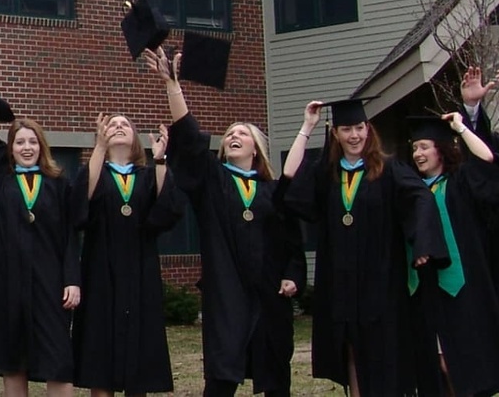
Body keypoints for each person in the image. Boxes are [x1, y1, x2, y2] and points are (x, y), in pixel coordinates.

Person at [145, 48, 305, 397]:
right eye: (230, 132)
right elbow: (188, 140)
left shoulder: (271, 192)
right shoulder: (213, 181)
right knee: (222, 375)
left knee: (275, 371)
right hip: (227, 291)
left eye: (242, 133)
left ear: (256, 149)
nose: (234, 135)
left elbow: (291, 240)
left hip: (268, 294)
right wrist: (173, 86)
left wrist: (293, 275)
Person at [281, 97, 448, 396]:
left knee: (383, 355)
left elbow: (421, 200)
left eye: (359, 127)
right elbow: (290, 182)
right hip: (340, 284)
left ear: (368, 129)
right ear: (336, 134)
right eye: (346, 129)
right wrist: (307, 126)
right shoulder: (327, 173)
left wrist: (422, 242)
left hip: (380, 284)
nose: (354, 135)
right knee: (350, 352)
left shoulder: (389, 169)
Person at [0, 54, 83, 397]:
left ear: (42, 146)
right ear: (11, 148)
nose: (26, 147)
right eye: (20, 142)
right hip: (7, 282)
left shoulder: (58, 183)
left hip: (49, 282)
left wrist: (71, 278)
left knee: (58, 361)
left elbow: (70, 235)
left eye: (32, 142)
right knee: (14, 362)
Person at [402, 68, 499, 397]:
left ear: (441, 149)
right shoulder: (409, 191)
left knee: (465, 365)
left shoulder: (460, 184)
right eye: (414, 148)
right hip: (424, 290)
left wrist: (466, 117)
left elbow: (486, 161)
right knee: (436, 366)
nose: (418, 153)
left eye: (425, 146)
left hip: (464, 288)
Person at [72, 110, 183, 396]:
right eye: (112, 125)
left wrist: (160, 159)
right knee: (101, 355)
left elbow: (167, 209)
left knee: (139, 354)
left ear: (135, 139)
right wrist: (98, 146)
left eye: (125, 124)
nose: (119, 127)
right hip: (100, 269)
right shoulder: (97, 171)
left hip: (140, 268)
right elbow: (80, 201)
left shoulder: (147, 176)